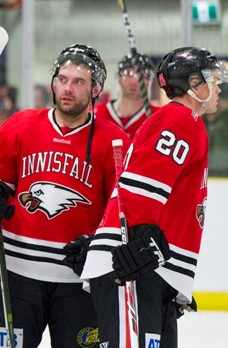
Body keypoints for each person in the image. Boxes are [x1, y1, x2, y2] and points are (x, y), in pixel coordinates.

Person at [0, 44, 130, 348]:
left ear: (96, 88)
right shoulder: (19, 127)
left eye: (78, 81)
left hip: (79, 280)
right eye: (62, 79)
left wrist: (99, 246)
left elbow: (121, 210)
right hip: (16, 274)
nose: (67, 88)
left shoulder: (114, 141)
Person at [82, 47, 228, 348]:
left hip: (150, 267)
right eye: (211, 78)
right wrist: (137, 243)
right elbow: (143, 186)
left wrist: (172, 277)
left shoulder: (184, 121)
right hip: (131, 264)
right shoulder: (180, 119)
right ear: (193, 84)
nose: (218, 87)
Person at [94, 51, 159, 140]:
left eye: (142, 75)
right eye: (128, 73)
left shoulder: (159, 117)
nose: (134, 81)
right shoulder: (95, 113)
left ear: (149, 81)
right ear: (119, 78)